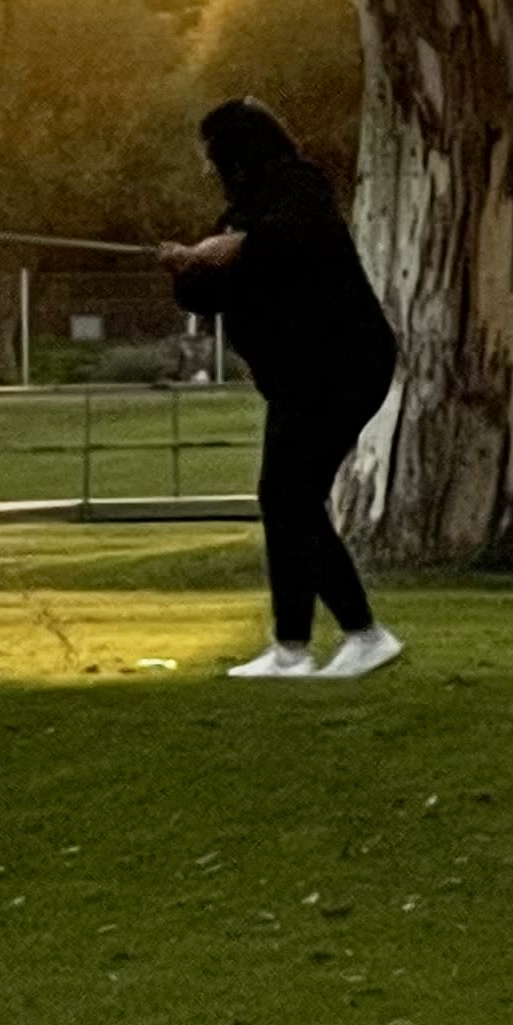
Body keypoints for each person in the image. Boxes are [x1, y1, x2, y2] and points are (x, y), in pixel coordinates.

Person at [164, 98, 403, 681]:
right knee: (288, 500)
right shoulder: (241, 213)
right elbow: (212, 294)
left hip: (342, 365)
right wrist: (187, 269)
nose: (208, 166)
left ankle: (344, 638)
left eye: (212, 153)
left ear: (235, 149)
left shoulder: (299, 185)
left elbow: (292, 236)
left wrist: (234, 248)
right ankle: (305, 646)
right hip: (300, 377)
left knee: (287, 496)